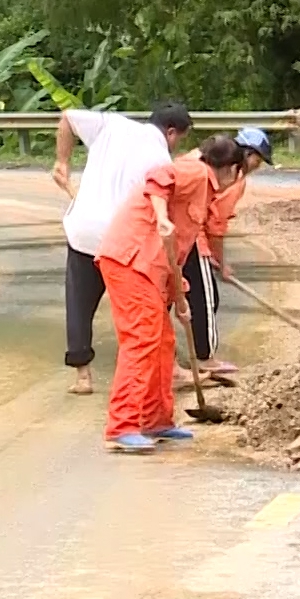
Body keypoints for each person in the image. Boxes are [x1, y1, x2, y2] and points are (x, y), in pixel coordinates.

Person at [95, 135, 245, 453]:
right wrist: (161, 216)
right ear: (231, 170)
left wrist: (179, 296)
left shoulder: (202, 187)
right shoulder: (195, 172)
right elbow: (158, 179)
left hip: (153, 269)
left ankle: (156, 420)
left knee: (163, 345)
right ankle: (122, 426)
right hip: (131, 261)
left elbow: (178, 248)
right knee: (142, 341)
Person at [52, 102, 192, 396]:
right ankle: (168, 369)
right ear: (170, 132)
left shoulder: (110, 125)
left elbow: (67, 117)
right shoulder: (161, 160)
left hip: (83, 232)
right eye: (179, 137)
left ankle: (83, 377)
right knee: (146, 304)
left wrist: (62, 162)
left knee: (79, 304)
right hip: (122, 243)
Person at [177, 126, 273, 383]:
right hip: (189, 234)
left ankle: (167, 356)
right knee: (206, 299)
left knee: (174, 296)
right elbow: (215, 227)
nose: (257, 166)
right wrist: (220, 261)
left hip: (173, 230)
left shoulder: (197, 156)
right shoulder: (232, 175)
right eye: (259, 159)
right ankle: (205, 357)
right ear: (248, 153)